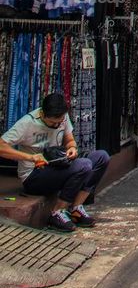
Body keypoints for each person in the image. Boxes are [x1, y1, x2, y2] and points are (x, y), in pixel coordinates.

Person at [0, 92, 109, 232]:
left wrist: (72, 148)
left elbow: (69, 140)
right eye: (52, 123)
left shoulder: (62, 118)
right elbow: (1, 146)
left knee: (101, 157)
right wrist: (30, 158)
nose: (57, 125)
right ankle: (57, 213)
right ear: (43, 114)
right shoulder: (27, 123)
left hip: (57, 164)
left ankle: (76, 209)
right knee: (84, 165)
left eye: (60, 122)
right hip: (34, 175)